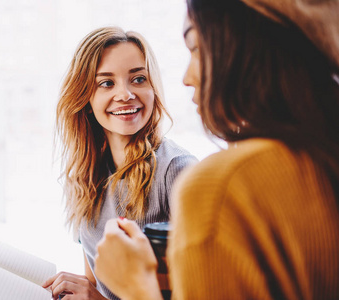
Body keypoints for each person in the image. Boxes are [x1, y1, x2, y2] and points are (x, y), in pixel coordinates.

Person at [94, 0, 339, 299]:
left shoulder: (218, 186)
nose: (186, 77)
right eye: (105, 83)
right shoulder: (322, 155)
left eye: (196, 48)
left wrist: (135, 287)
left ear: (245, 50)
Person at [42, 26, 198, 300]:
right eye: (106, 83)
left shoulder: (177, 170)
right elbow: (98, 284)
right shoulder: (85, 176)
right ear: (86, 99)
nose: (125, 94)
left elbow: (200, 292)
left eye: (138, 79)